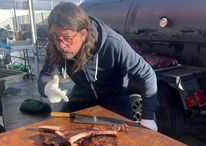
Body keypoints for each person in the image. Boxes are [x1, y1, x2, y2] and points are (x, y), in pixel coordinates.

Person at [38, 2, 158, 131]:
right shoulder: (55, 45)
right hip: (82, 93)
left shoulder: (113, 43)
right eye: (55, 37)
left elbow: (146, 73)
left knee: (124, 135)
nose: (61, 45)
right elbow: (45, 74)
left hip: (114, 95)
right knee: (58, 129)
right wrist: (46, 88)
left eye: (67, 37)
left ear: (83, 34)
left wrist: (148, 117)